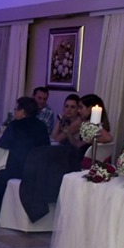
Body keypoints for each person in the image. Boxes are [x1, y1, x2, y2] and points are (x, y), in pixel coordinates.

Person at [20, 93, 114, 222]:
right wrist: (69, 133)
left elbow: (108, 138)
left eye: (81, 107)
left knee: (40, 154)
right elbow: (77, 144)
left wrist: (92, 134)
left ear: (90, 109)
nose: (79, 111)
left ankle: (36, 192)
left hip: (77, 160)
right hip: (76, 155)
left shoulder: (93, 124)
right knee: (42, 153)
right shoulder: (86, 124)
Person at [0, 96, 50, 218]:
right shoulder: (42, 126)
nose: (14, 112)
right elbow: (46, 146)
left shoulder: (15, 125)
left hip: (18, 170)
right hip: (38, 170)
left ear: (22, 112)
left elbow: (3, 144)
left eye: (16, 109)